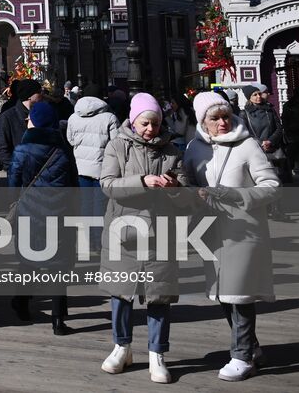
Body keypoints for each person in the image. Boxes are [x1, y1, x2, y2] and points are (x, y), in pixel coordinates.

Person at [182, 91, 279, 382]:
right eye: (215, 118)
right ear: (203, 121)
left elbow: (272, 185)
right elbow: (188, 184)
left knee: (240, 292)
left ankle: (242, 355)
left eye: (225, 116)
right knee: (223, 292)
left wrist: (234, 195)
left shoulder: (248, 145)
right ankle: (251, 346)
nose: (222, 122)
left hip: (243, 230)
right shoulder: (194, 149)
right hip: (210, 230)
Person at [99, 92, 187, 383]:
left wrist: (174, 187)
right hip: (124, 232)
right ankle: (121, 347)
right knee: (121, 295)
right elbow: (108, 184)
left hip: (161, 234)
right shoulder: (117, 145)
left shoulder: (172, 151)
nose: (151, 129)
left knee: (158, 296)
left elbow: (185, 195)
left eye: (156, 123)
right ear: (134, 121)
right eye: (146, 123)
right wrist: (143, 182)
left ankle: (156, 354)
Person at [8, 99, 78, 335]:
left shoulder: (22, 151)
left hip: (29, 214)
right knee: (59, 266)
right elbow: (74, 186)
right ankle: (58, 321)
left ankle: (21, 303)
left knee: (27, 263)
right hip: (59, 214)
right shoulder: (62, 151)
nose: (27, 120)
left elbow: (13, 186)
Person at [67, 85, 119, 250]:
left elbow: (71, 140)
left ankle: (86, 240)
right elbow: (116, 143)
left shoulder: (73, 117)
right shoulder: (109, 118)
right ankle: (99, 241)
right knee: (100, 205)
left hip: (81, 167)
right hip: (102, 168)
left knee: (85, 204)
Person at [240, 84, 291, 221]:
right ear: (249, 98)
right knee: (260, 182)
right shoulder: (244, 113)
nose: (258, 97)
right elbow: (245, 132)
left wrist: (270, 141)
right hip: (256, 150)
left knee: (276, 181)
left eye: (259, 94)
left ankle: (277, 210)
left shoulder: (269, 110)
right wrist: (259, 143)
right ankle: (265, 208)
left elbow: (279, 129)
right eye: (254, 95)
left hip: (272, 150)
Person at [0, 80, 40, 180]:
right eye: (38, 92)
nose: (42, 95)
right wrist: (14, 169)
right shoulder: (7, 117)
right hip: (20, 176)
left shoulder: (42, 114)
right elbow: (2, 148)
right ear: (29, 95)